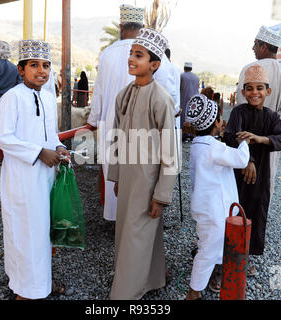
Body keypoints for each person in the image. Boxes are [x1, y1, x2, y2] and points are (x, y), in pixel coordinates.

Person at [0, 39, 70, 300]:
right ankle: (25, 291)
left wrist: (59, 147)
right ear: (21, 69)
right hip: (22, 179)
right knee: (25, 232)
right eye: (34, 65)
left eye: (46, 65)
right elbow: (2, 137)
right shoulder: (12, 97)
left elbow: (51, 134)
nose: (42, 71)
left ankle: (42, 284)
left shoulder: (48, 97)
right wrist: (38, 153)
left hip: (45, 178)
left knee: (42, 233)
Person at [107, 28, 177, 300]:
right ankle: (152, 278)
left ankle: (126, 294)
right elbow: (115, 136)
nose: (131, 60)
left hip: (148, 181)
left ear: (154, 64)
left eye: (139, 55)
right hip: (127, 178)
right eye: (131, 54)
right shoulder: (124, 95)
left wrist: (161, 194)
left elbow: (170, 153)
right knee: (132, 232)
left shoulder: (161, 99)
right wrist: (115, 176)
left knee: (137, 236)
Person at [224, 65, 281, 276]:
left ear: (267, 91)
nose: (255, 93)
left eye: (259, 88)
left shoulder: (272, 117)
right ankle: (224, 259)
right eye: (250, 88)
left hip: (261, 177)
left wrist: (260, 139)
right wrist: (249, 160)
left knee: (256, 213)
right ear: (243, 92)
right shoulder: (238, 112)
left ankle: (246, 257)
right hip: (237, 175)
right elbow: (231, 136)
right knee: (232, 210)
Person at [184, 94, 250, 300]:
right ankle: (194, 291)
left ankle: (207, 279)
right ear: (216, 122)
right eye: (221, 119)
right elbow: (241, 159)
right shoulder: (215, 148)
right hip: (216, 210)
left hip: (203, 206)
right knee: (208, 250)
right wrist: (244, 142)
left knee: (209, 243)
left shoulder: (197, 144)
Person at [87, 4, 145, 221]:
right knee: (138, 172)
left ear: (121, 27)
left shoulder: (107, 54)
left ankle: (115, 220)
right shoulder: (149, 54)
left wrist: (93, 120)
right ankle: (134, 221)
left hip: (111, 124)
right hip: (141, 125)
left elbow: (99, 94)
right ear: (143, 27)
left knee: (113, 173)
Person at [236, 25, 281, 196]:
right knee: (266, 184)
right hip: (271, 139)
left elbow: (241, 105)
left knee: (243, 183)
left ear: (263, 46)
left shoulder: (250, 69)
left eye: (255, 44)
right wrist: (270, 126)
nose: (252, 48)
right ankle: (258, 221)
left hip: (247, 136)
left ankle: (240, 220)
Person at [180, 62, 200, 142]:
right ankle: (191, 134)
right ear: (191, 68)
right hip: (194, 100)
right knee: (192, 116)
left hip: (184, 98)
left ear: (184, 68)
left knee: (183, 116)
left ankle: (184, 135)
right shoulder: (196, 77)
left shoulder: (182, 76)